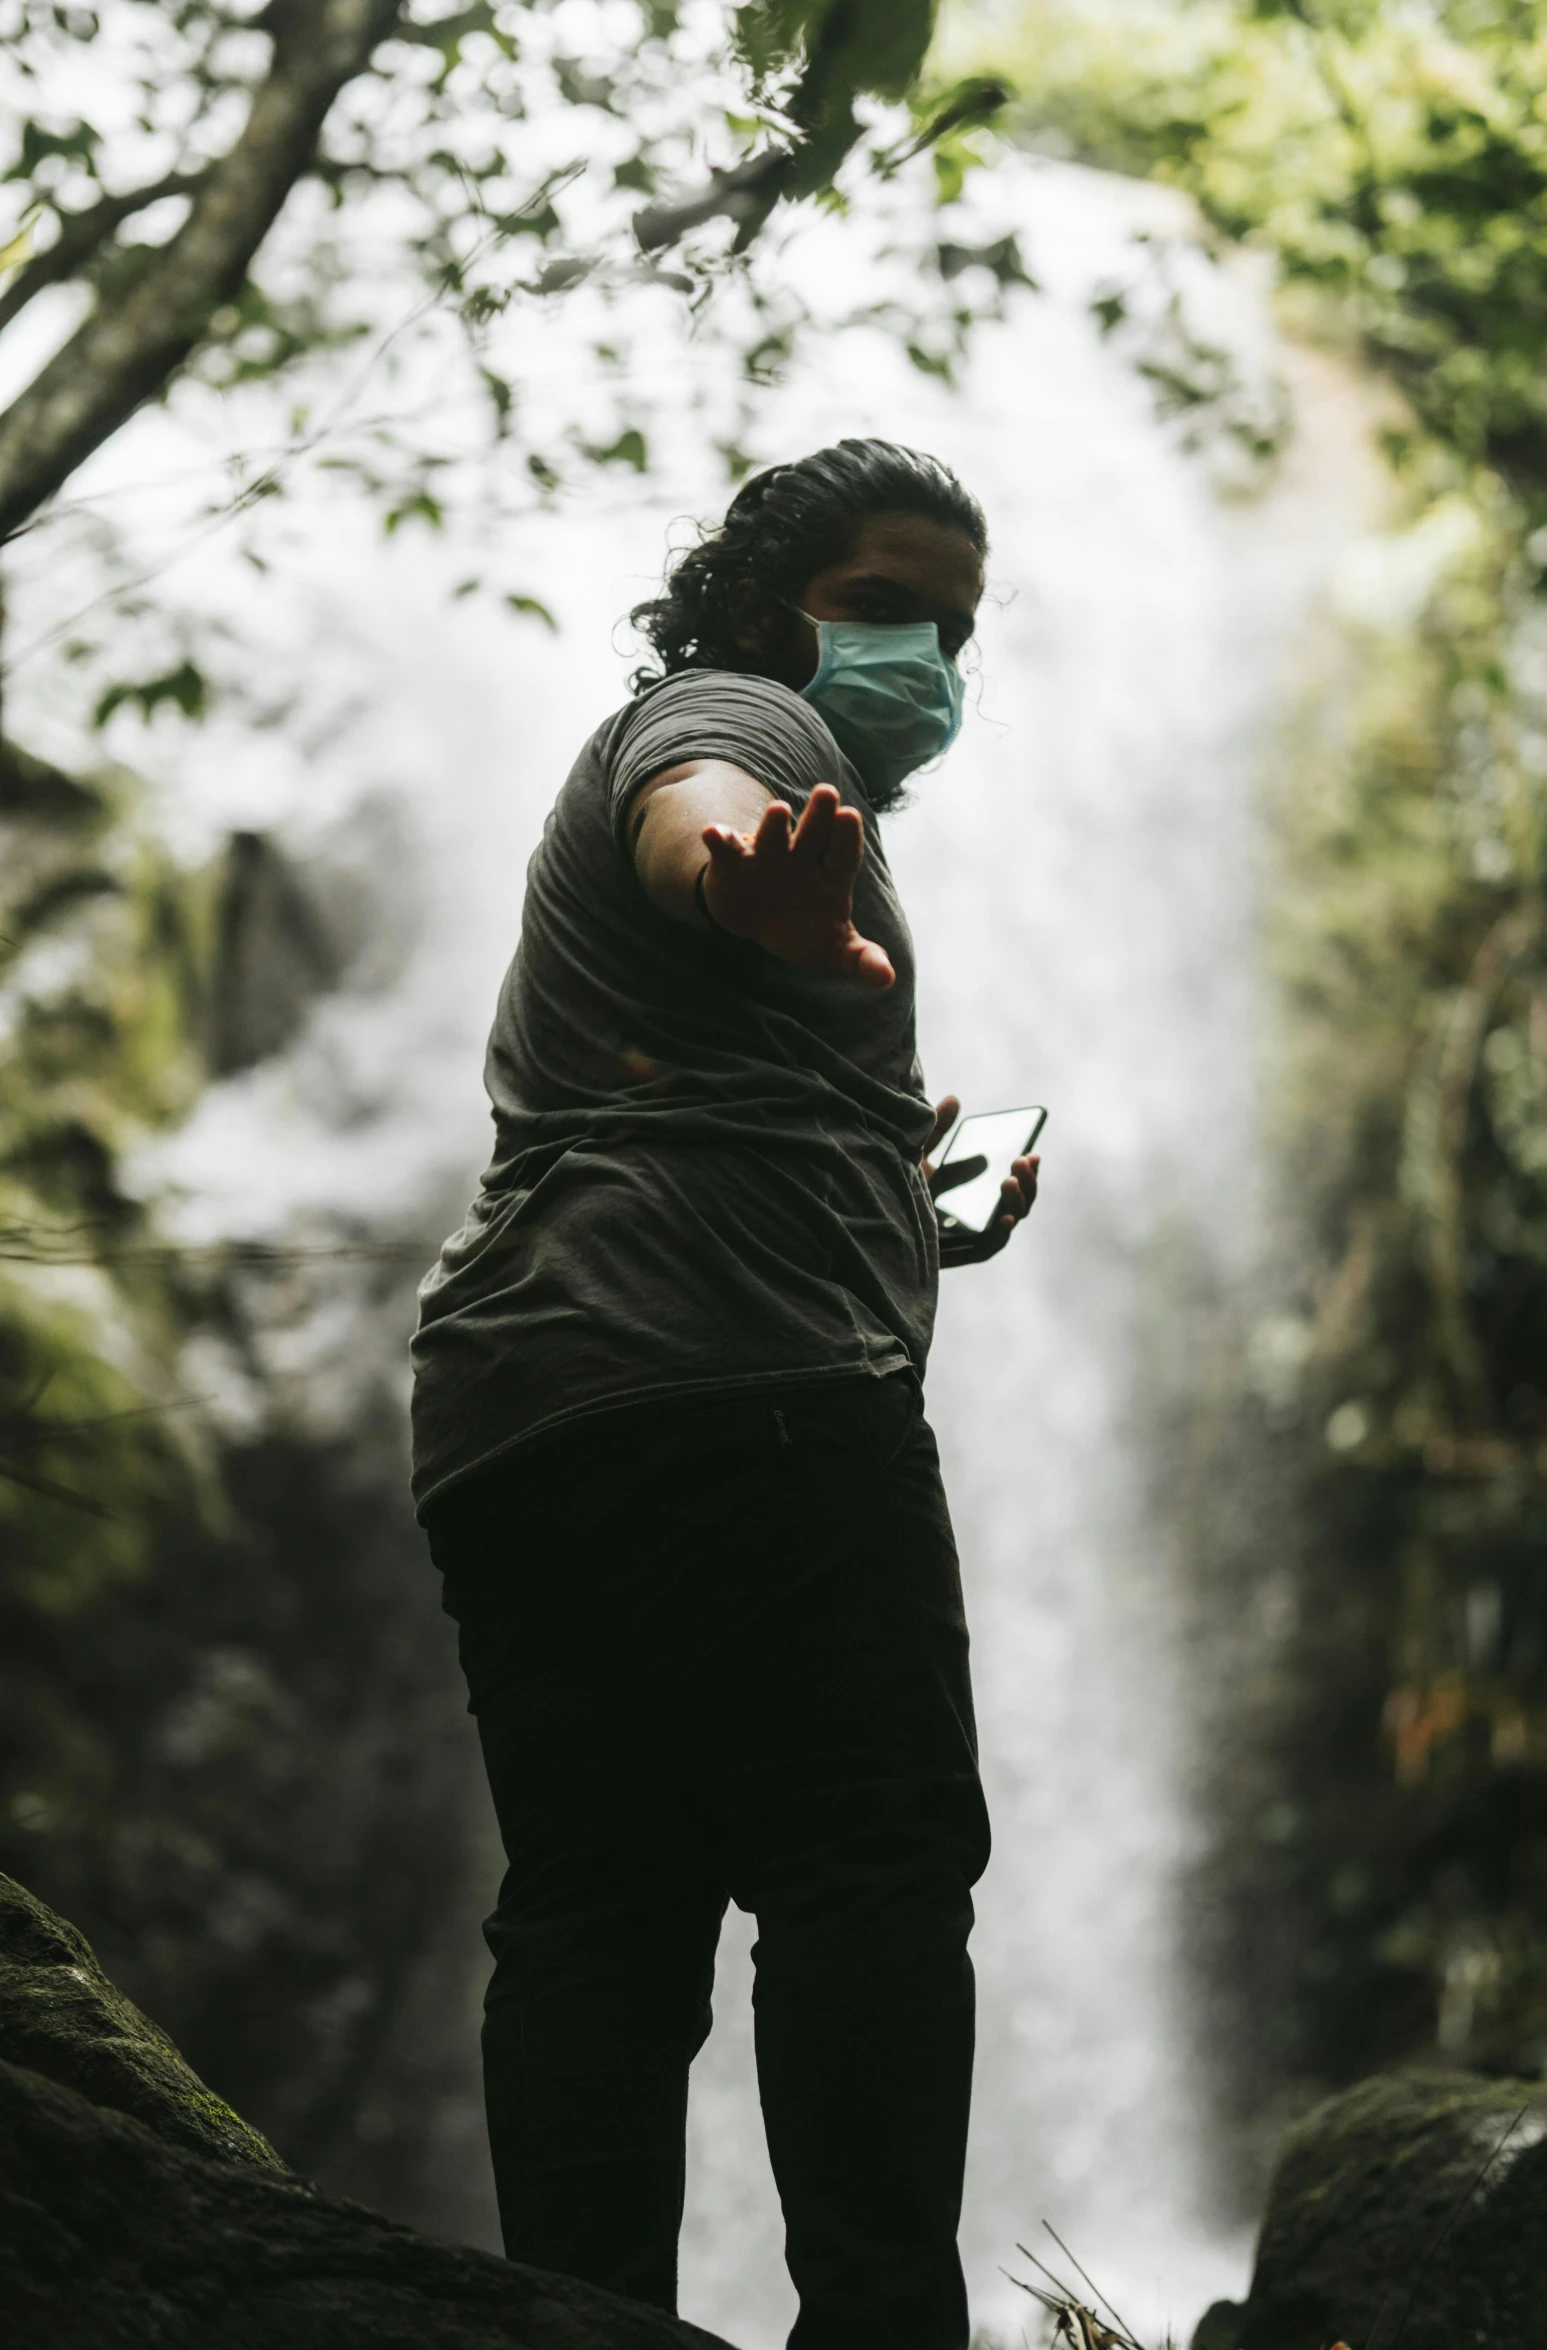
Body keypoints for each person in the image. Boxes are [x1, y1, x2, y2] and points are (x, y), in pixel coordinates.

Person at [411, 437, 1039, 2350]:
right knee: (869, 1861)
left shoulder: (801, 810)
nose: (926, 649)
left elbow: (672, 1093)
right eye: (887, 603)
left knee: (603, 1897)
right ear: (777, 605)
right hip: (747, 1401)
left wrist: (894, 1196)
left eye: (956, 619)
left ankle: (571, 2322)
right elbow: (699, 811)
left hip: (525, 1409)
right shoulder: (728, 722)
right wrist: (746, 889)